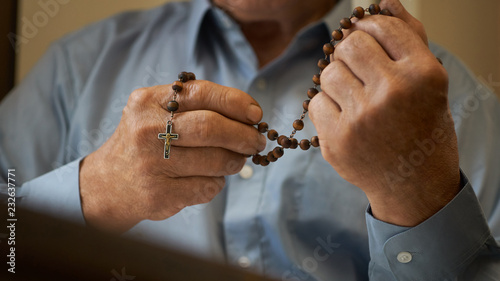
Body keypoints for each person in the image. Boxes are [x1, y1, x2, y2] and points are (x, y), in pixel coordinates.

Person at [1, 0, 500, 279]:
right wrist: (93, 191)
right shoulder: (77, 66)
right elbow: (7, 249)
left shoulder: (438, 95)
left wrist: (416, 193)